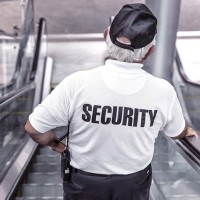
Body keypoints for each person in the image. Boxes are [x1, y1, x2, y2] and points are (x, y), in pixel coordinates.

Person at [25, 3, 198, 200]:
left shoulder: (77, 83)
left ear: (105, 35)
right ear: (150, 51)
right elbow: (177, 132)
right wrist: (188, 131)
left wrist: (54, 143)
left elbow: (33, 128)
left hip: (83, 183)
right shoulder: (163, 92)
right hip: (133, 184)